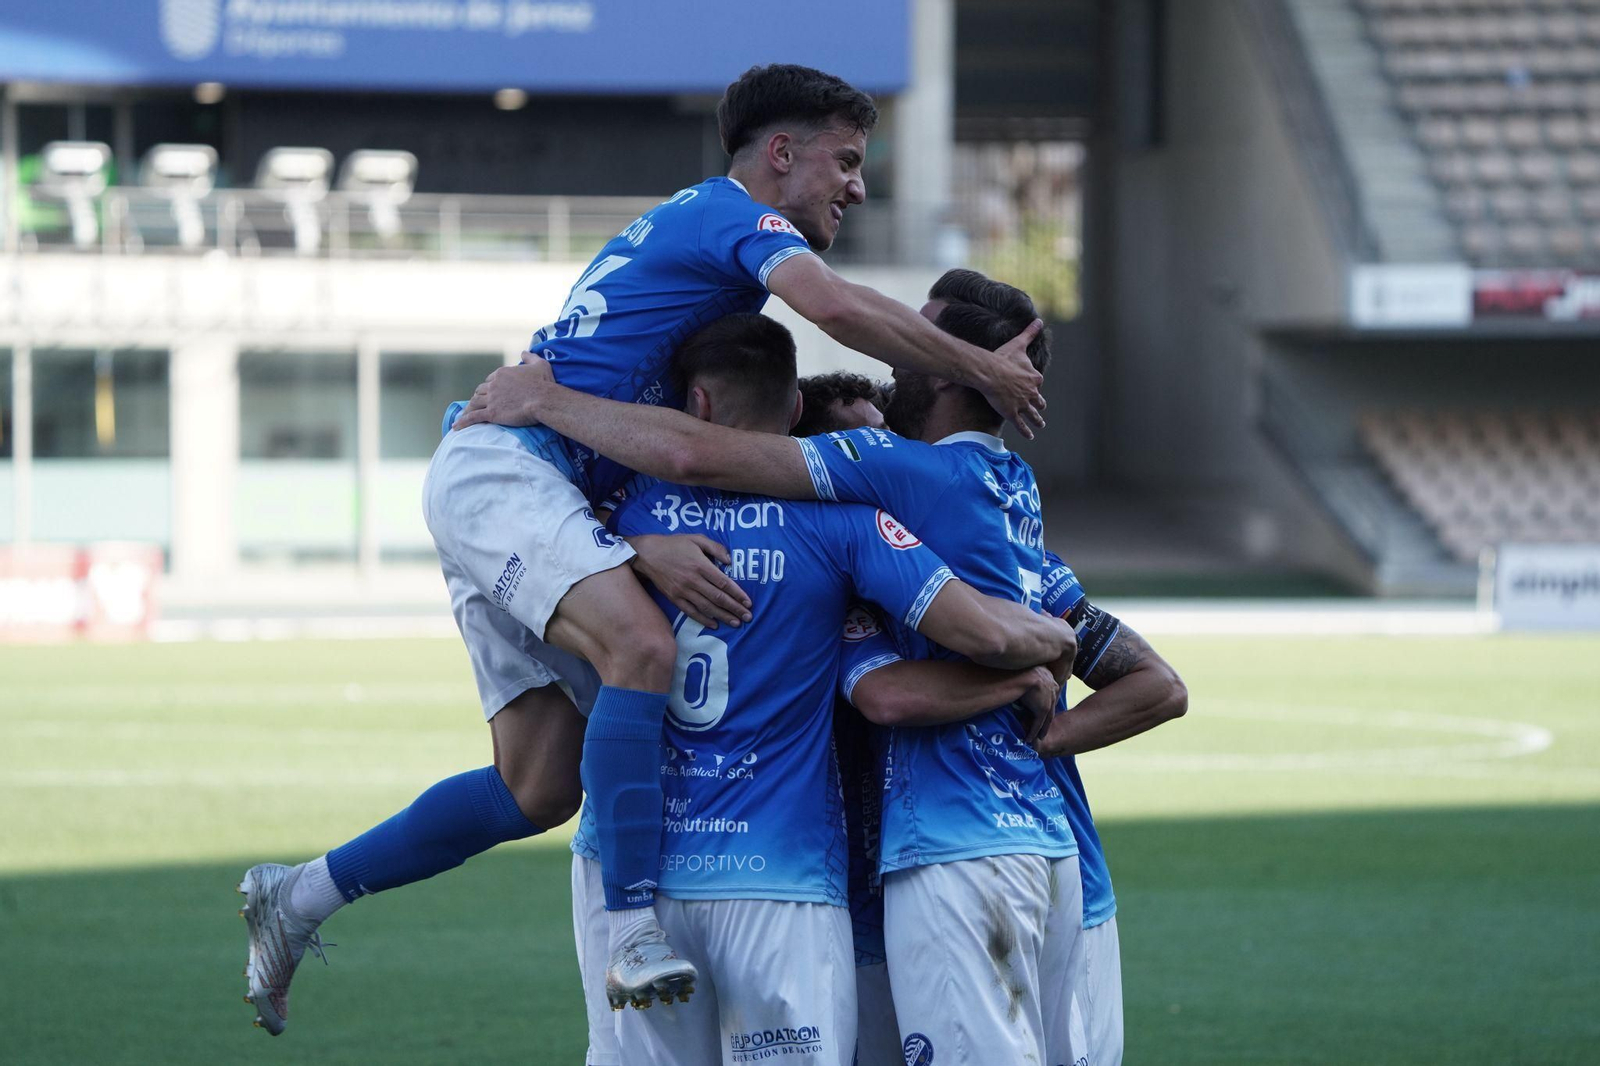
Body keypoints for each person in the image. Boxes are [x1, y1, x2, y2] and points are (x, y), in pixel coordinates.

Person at [236, 63, 1046, 1035]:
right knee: (641, 647)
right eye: (845, 160)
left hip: (543, 485)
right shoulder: (731, 215)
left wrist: (634, 538)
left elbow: (643, 431)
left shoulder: (693, 255)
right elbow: (832, 307)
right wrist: (981, 366)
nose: (858, 186)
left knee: (538, 786)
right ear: (779, 153)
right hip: (510, 470)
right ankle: (629, 928)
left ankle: (299, 896)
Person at [456, 269, 1090, 1063]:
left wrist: (567, 439)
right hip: (781, 878)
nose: (898, 355)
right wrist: (1047, 647)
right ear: (794, 412)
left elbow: (580, 520)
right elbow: (976, 632)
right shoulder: (858, 523)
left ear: (695, 401)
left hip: (637, 874)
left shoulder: (614, 522)